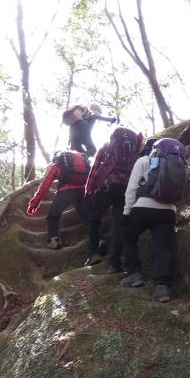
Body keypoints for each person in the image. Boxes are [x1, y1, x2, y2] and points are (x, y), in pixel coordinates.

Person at [119, 138, 179, 303]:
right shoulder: (177, 163)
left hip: (144, 207)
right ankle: (162, 287)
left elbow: (132, 188)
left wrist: (126, 212)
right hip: (168, 211)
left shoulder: (144, 161)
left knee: (128, 236)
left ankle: (134, 274)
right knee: (161, 246)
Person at [84, 128, 143, 272]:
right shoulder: (134, 148)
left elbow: (95, 168)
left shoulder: (106, 147)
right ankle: (113, 263)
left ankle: (93, 253)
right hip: (124, 189)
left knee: (94, 219)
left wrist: (89, 191)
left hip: (105, 188)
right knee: (118, 224)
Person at [26, 150, 90, 250]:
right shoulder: (84, 164)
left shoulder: (57, 165)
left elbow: (45, 185)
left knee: (52, 216)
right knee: (85, 215)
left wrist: (34, 203)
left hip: (65, 193)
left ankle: (54, 240)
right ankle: (99, 240)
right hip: (82, 191)